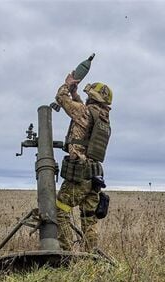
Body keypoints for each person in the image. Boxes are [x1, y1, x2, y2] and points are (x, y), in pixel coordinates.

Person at [55, 72, 112, 252]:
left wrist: (67, 85)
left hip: (79, 174)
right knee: (89, 217)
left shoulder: (85, 112)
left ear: (93, 99)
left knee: (60, 211)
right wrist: (76, 95)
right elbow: (83, 109)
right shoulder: (102, 117)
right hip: (94, 175)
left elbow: (60, 98)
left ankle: (66, 255)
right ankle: (90, 258)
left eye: (89, 96)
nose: (86, 98)